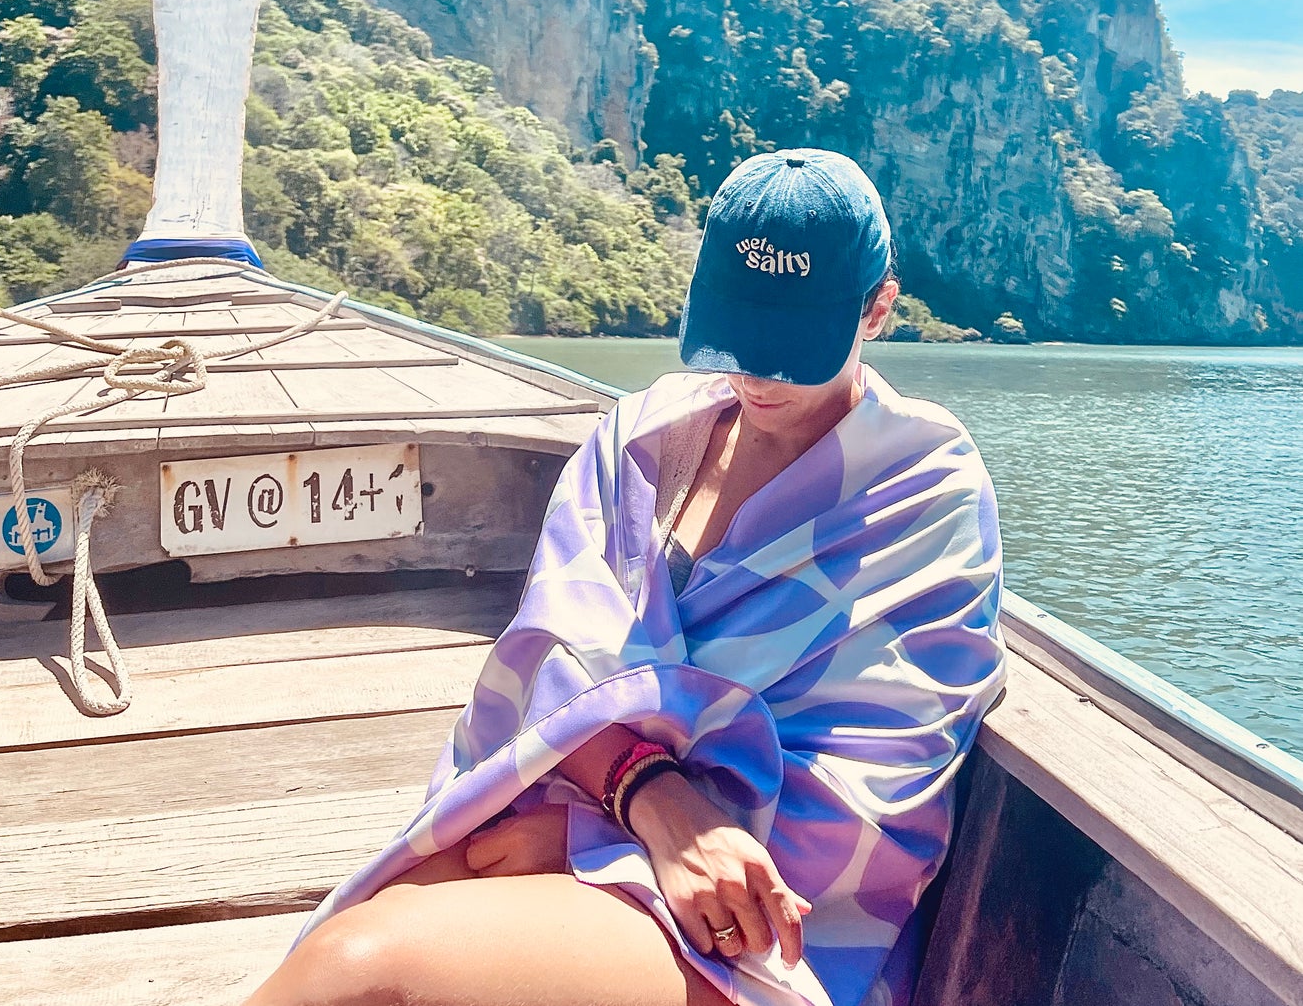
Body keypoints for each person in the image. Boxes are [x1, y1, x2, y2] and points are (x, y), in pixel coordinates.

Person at [245, 149, 1005, 1006]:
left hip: (753, 918)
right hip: (600, 806)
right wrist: (638, 797)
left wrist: (598, 839)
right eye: (736, 334)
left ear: (877, 308)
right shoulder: (641, 440)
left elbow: (871, 791)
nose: (755, 374)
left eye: (791, 347)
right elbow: (548, 655)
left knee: (360, 968)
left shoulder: (922, 489)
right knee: (366, 931)